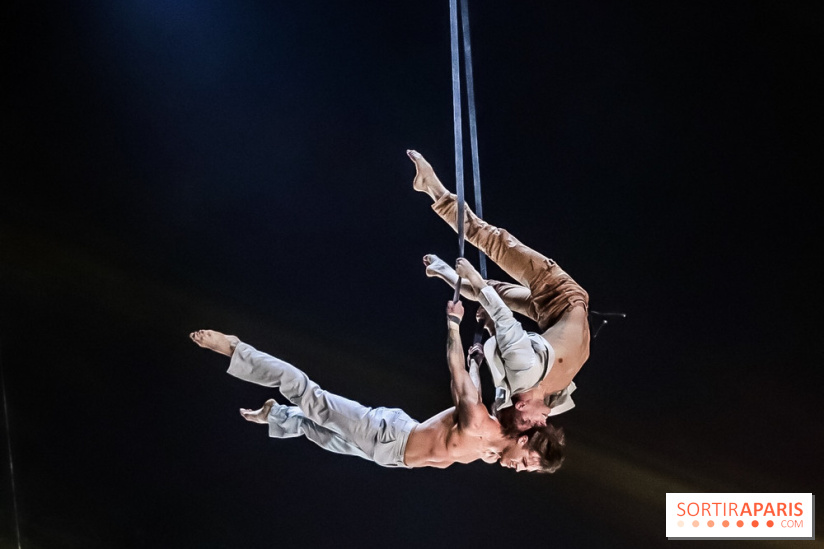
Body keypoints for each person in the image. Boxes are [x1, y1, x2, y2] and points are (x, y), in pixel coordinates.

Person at [189, 300, 565, 473]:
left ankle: (277, 415)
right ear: (522, 440)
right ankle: (237, 349)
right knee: (311, 396)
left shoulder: (490, 452)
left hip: (388, 456)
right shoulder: (480, 423)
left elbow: (488, 376)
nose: (520, 469)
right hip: (389, 436)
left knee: (317, 431)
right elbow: (459, 375)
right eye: (528, 463)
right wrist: (454, 324)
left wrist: (480, 343)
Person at [408, 149, 590, 434]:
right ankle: (446, 272)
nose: (542, 421)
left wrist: (478, 286)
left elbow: (507, 330)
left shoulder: (525, 374)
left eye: (529, 420)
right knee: (492, 292)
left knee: (493, 242)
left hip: (558, 291)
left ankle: (434, 190)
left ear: (520, 407)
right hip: (550, 311)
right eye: (538, 424)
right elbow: (505, 341)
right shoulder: (553, 399)